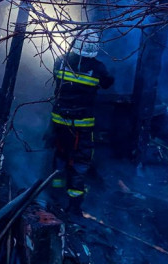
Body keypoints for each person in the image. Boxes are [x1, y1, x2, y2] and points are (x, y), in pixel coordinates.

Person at [49, 30, 114, 215]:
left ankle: (55, 197)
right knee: (80, 161)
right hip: (81, 126)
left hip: (59, 122)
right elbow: (108, 83)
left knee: (60, 155)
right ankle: (74, 206)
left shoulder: (60, 61)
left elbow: (56, 79)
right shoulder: (98, 68)